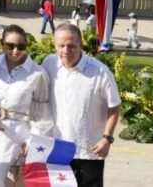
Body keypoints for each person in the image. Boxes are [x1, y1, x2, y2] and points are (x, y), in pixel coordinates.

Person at [0, 25, 52, 187]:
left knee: (4, 180)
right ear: (2, 44)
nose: (15, 50)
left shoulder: (37, 74)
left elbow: (41, 114)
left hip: (16, 136)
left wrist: (32, 141)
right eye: (10, 46)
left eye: (21, 46)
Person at [42, 24, 121, 187]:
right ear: (54, 45)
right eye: (61, 46)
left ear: (81, 45)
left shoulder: (100, 72)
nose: (65, 50)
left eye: (71, 46)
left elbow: (114, 107)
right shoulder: (49, 64)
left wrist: (107, 138)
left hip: (89, 152)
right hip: (59, 150)